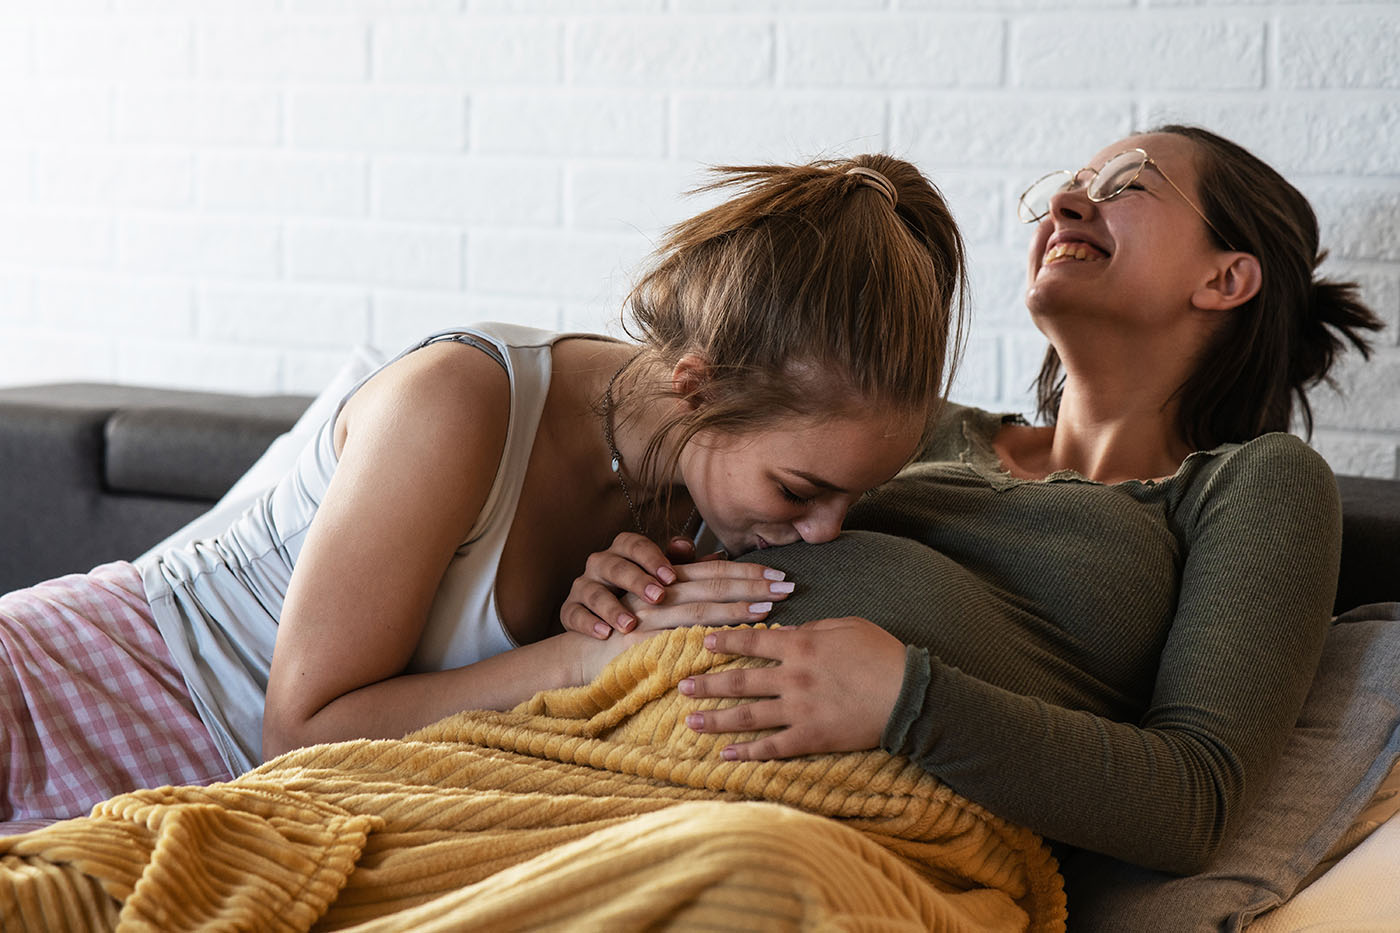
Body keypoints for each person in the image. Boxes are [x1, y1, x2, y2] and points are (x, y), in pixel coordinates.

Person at [0, 153, 968, 828]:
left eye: (850, 495)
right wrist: (576, 661)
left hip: (241, 796)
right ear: (696, 386)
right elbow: (301, 726)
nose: (823, 528)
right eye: (801, 488)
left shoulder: (706, 504)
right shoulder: (456, 407)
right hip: (81, 688)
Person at [563, 125, 1385, 875]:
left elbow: (1194, 797)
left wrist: (905, 699)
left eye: (1127, 184)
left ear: (1227, 276)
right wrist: (632, 582)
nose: (1065, 203)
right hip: (612, 741)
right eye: (1065, 185)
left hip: (824, 821)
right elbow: (728, 521)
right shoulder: (902, 430)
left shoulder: (1253, 483)